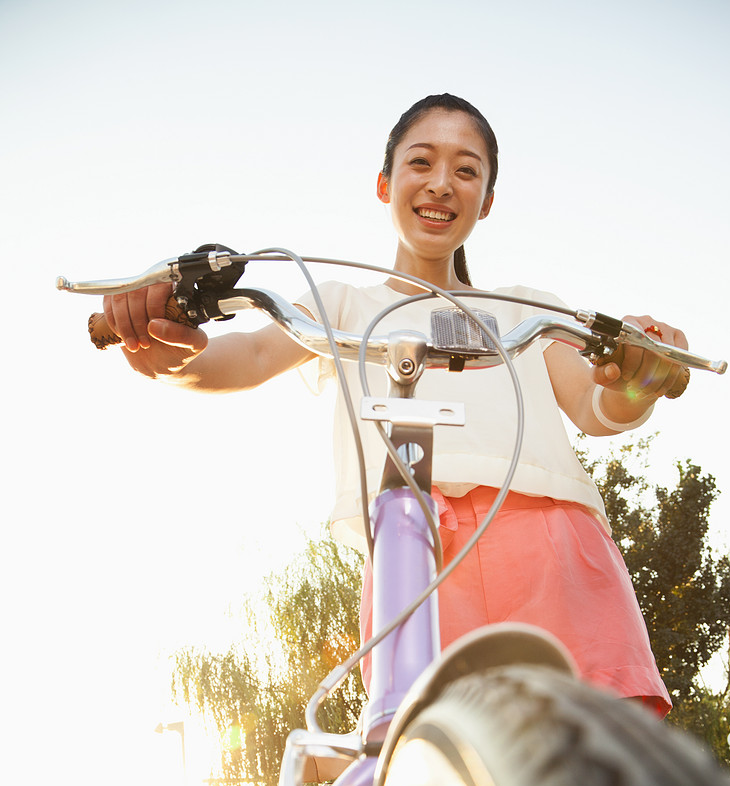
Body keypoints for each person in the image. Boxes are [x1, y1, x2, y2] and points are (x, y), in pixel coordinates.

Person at [104, 94, 689, 717]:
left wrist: (638, 377)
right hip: (413, 546)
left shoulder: (526, 308)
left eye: (466, 170)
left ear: (487, 201)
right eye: (421, 162)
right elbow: (245, 356)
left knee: (594, 753)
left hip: (552, 543)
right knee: (427, 748)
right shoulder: (342, 306)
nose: (441, 183)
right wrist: (172, 357)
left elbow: (598, 407)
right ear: (384, 184)